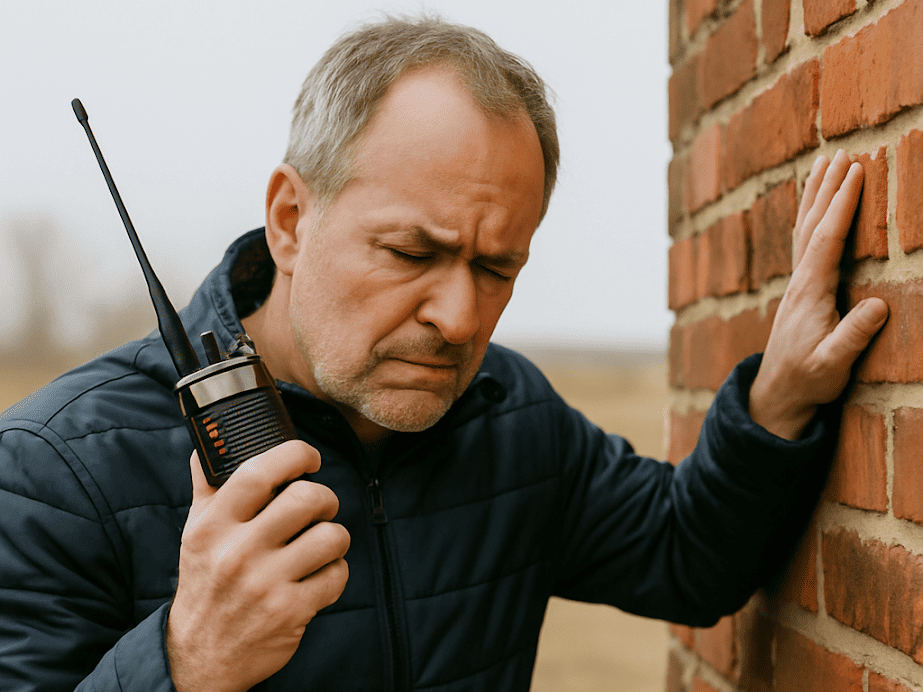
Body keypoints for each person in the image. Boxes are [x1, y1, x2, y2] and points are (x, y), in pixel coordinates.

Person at [0, 15, 888, 692]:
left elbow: (689, 558)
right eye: (412, 253)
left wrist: (778, 397)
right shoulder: (53, 473)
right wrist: (182, 661)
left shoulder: (512, 413)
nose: (460, 319)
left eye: (496, 265)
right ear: (290, 220)